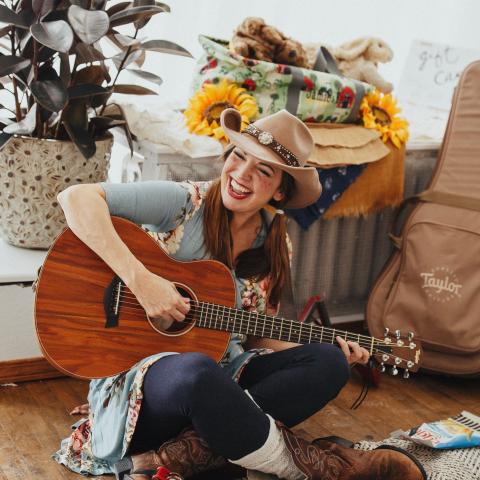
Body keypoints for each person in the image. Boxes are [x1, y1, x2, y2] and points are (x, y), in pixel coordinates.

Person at [54, 108, 426, 480]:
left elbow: (255, 334)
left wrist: (331, 347)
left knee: (328, 362)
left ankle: (185, 453)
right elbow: (76, 198)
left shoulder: (276, 244)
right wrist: (142, 281)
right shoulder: (184, 204)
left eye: (263, 170)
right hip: (151, 384)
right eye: (238, 156)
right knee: (197, 370)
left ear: (281, 190)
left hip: (223, 376)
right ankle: (316, 467)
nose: (241, 174)